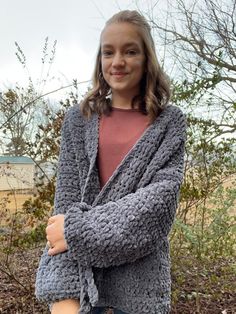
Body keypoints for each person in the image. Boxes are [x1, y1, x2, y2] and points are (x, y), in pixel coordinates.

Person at [35, 9, 186, 314]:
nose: (117, 61)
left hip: (141, 283)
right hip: (79, 278)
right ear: (99, 59)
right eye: (108, 52)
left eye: (130, 51)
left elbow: (156, 210)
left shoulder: (169, 122)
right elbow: (63, 211)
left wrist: (76, 232)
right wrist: (65, 297)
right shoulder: (78, 120)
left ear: (147, 60)